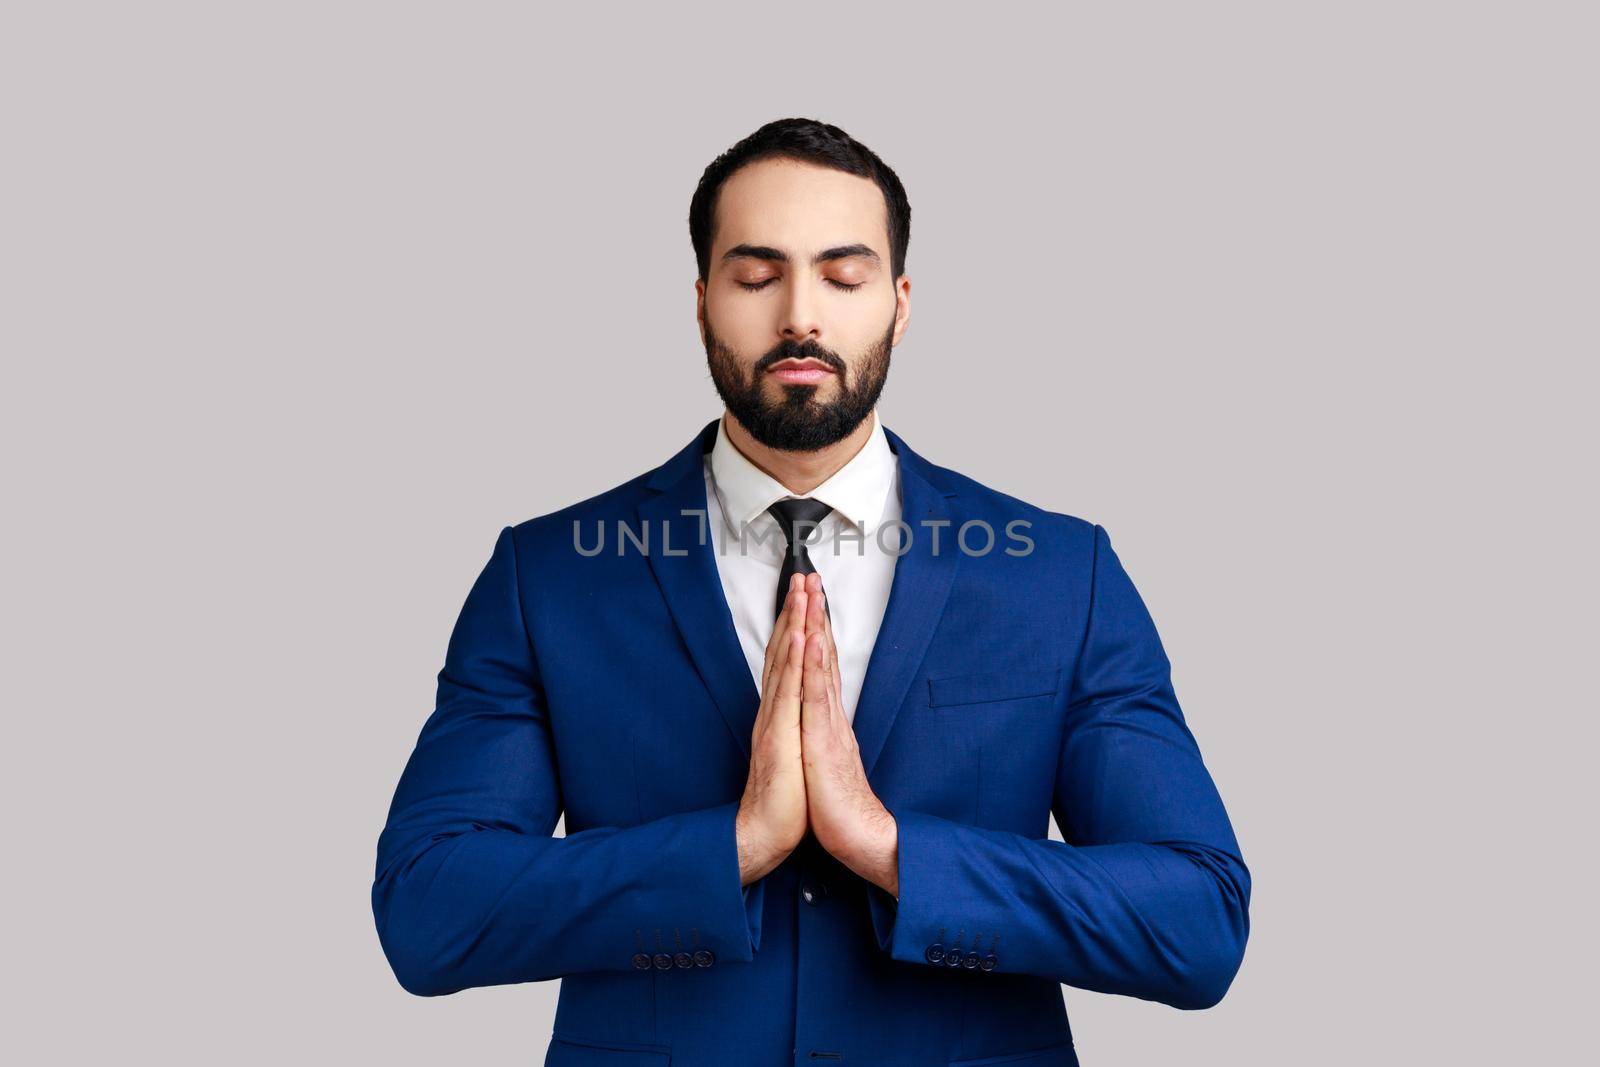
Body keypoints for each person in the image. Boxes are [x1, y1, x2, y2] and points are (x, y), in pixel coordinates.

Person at [372, 117, 1250, 1067]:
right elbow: (428, 909)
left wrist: (889, 850)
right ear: (703, 300)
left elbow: (1198, 921)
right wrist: (733, 848)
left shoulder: (1058, 574)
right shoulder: (548, 576)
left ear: (901, 302)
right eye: (757, 276)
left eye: (843, 275)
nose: (801, 315)